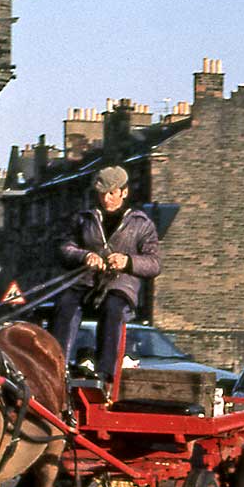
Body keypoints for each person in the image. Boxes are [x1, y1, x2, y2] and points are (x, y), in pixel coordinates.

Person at [51, 165, 161, 401]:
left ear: (124, 192)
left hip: (120, 286)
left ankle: (105, 375)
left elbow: (153, 263)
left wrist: (127, 261)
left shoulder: (142, 224)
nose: (106, 198)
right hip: (86, 282)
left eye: (111, 193)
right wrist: (84, 256)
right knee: (65, 305)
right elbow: (63, 248)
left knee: (113, 310)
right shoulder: (84, 219)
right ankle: (56, 368)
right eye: (101, 193)